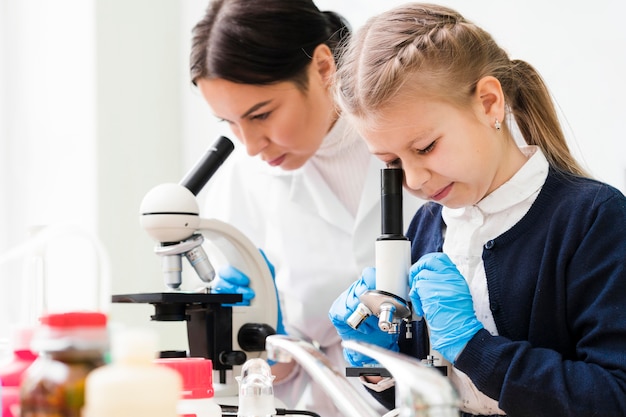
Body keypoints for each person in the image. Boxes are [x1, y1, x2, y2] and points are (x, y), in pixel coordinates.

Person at [329, 3, 626, 417]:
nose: (413, 181)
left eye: (425, 148)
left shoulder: (593, 218)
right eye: (392, 162)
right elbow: (430, 395)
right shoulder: (428, 226)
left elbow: (614, 397)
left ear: (489, 103)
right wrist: (379, 365)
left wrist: (475, 348)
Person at [188, 1, 424, 416]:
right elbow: (266, 377)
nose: (250, 144)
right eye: (227, 122)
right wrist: (254, 342)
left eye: (261, 114)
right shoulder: (242, 180)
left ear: (321, 67)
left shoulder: (421, 140)